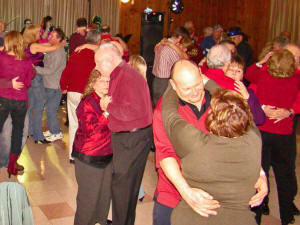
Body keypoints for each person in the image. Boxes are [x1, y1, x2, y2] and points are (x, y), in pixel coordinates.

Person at [152, 59, 267, 225]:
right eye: (186, 88)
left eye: (198, 84)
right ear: (174, 85)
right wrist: (186, 192)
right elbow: (165, 154)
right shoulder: (163, 109)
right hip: (175, 191)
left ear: (202, 75)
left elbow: (243, 135)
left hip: (223, 193)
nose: (194, 93)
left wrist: (260, 173)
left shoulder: (222, 104)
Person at [94, 42, 153, 225]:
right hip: (133, 137)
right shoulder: (122, 72)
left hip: (131, 139)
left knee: (123, 189)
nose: (95, 67)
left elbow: (131, 111)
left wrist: (107, 105)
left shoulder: (127, 76)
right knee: (126, 190)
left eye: (97, 63)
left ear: (108, 61)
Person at [245, 49, 300, 225]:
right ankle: (287, 217)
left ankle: (256, 217)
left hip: (262, 132)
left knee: (259, 174)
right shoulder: (296, 77)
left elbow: (249, 74)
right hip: (283, 134)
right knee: (284, 176)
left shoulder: (263, 75)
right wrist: (290, 112)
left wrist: (261, 61)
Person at [72, 69, 113, 225]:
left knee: (104, 194)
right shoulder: (87, 102)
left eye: (108, 81)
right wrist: (105, 113)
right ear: (93, 82)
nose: (106, 84)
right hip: (89, 157)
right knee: (88, 198)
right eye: (102, 81)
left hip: (108, 154)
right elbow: (90, 130)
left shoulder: (109, 99)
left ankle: (101, 220)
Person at [60, 30, 101, 163]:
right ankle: (87, 152)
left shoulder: (76, 53)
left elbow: (66, 71)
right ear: (98, 41)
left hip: (73, 92)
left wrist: (63, 86)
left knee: (74, 124)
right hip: (88, 94)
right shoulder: (98, 55)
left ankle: (72, 155)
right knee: (89, 125)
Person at [0, 31, 35, 177]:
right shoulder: (26, 62)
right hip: (20, 101)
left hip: (3, 99)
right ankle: (12, 166)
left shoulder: (1, 58)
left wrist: (8, 83)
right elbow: (27, 83)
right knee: (17, 133)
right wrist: (31, 72)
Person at [23, 24, 65, 144]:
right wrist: (61, 43)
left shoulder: (34, 44)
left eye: (52, 35)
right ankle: (38, 136)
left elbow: (49, 47)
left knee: (34, 107)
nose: (44, 36)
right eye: (38, 33)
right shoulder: (35, 45)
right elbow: (50, 48)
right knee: (38, 108)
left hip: (40, 79)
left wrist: (60, 43)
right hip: (37, 78)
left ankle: (31, 131)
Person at [35, 28, 66, 142]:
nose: (49, 37)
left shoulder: (58, 52)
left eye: (52, 36)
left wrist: (34, 69)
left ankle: (56, 132)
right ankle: (53, 129)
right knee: (49, 109)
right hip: (50, 83)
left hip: (53, 85)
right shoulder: (53, 49)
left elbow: (50, 70)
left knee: (51, 110)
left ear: (58, 39)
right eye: (50, 35)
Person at [152, 26, 190, 105]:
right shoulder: (171, 49)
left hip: (156, 81)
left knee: (158, 106)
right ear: (180, 38)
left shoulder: (161, 44)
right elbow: (181, 65)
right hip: (164, 83)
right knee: (164, 107)